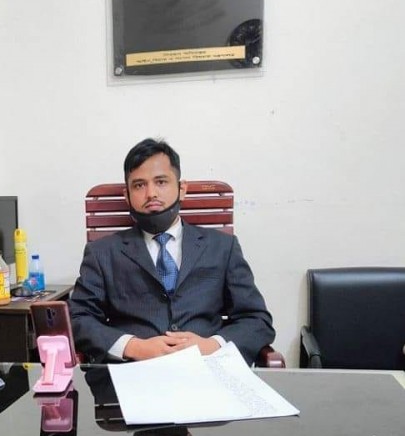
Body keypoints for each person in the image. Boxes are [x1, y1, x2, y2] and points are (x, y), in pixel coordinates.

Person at [68, 138, 274, 365]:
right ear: (127, 195)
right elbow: (78, 318)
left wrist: (212, 345)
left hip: (207, 370)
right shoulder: (102, 253)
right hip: (134, 371)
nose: (151, 193)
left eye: (161, 182)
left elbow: (256, 320)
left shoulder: (223, 247)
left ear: (182, 189)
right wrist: (134, 347)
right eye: (139, 185)